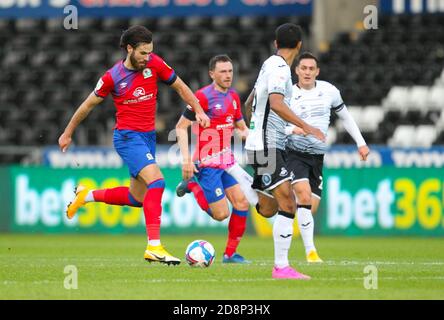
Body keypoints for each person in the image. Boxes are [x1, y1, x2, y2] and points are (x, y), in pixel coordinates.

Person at [58, 25, 210, 265]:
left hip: (147, 138)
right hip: (128, 137)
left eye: (149, 53)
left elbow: (180, 87)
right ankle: (154, 247)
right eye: (142, 53)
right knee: (158, 182)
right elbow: (88, 105)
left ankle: (86, 196)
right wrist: (68, 133)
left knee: (136, 198)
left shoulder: (155, 64)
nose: (146, 58)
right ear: (129, 49)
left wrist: (199, 110)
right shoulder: (112, 77)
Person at [244, 23, 325, 280]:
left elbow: (250, 102)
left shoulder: (268, 65)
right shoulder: (279, 69)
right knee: (288, 201)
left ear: (276, 43)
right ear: (300, 45)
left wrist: (257, 128)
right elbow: (276, 104)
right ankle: (281, 267)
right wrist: (306, 125)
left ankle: (237, 177)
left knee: (269, 207)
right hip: (268, 146)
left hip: (265, 144)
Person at [285, 52, 370, 262]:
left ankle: (283, 205)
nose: (307, 72)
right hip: (294, 153)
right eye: (303, 68)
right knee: (303, 196)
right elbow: (277, 125)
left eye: (310, 69)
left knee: (309, 208)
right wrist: (294, 130)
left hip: (317, 157)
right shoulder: (286, 94)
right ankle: (311, 252)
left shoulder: (329, 91)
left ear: (317, 71)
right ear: (296, 71)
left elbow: (345, 116)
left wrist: (361, 143)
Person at [175, 54, 252, 263]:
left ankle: (229, 255)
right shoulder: (201, 97)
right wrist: (186, 160)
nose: (228, 76)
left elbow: (241, 128)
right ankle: (193, 186)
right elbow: (180, 127)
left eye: (230, 71)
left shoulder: (234, 97)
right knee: (220, 215)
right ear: (212, 74)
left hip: (225, 160)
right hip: (206, 162)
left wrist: (253, 136)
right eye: (223, 72)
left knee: (242, 203)